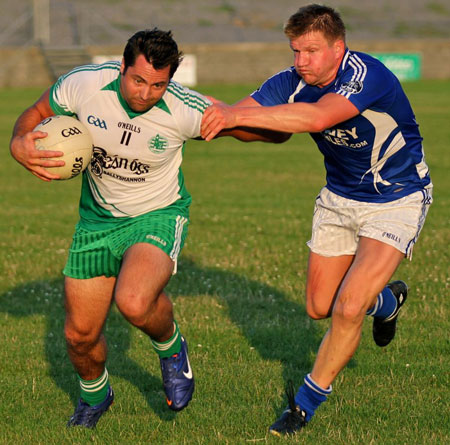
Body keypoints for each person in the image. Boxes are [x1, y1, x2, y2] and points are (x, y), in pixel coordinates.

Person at [201, 4, 432, 436]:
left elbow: (317, 118)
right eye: (295, 51)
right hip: (338, 199)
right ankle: (387, 302)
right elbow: (252, 121)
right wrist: (207, 118)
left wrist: (233, 115)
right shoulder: (292, 82)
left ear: (338, 48)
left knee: (346, 308)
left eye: (310, 51)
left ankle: (303, 406)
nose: (300, 61)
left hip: (396, 198)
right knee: (319, 308)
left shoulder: (367, 74)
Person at [9, 28, 213, 428]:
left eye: (158, 84)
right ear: (122, 67)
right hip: (96, 221)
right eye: (138, 80)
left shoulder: (184, 106)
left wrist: (301, 119)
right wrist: (19, 142)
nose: (145, 93)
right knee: (79, 337)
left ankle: (171, 348)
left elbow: (244, 125)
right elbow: (34, 113)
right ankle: (96, 395)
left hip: (156, 214)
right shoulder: (85, 83)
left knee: (134, 301)